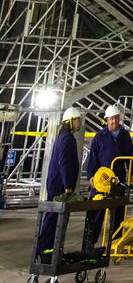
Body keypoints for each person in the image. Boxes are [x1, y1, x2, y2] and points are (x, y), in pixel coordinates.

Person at [84, 103, 133, 248]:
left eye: (116, 118)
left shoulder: (125, 136)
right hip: (102, 181)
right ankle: (90, 244)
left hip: (118, 180)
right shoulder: (99, 137)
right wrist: (91, 176)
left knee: (118, 213)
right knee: (97, 213)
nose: (114, 121)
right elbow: (93, 158)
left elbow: (130, 156)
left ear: (119, 119)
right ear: (106, 120)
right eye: (111, 119)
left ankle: (115, 243)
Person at [37, 106, 83, 256]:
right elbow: (64, 162)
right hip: (59, 184)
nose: (79, 123)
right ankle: (43, 250)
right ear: (70, 121)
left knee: (57, 218)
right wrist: (68, 186)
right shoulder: (66, 138)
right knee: (53, 218)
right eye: (77, 120)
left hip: (58, 182)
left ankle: (51, 250)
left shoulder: (66, 137)